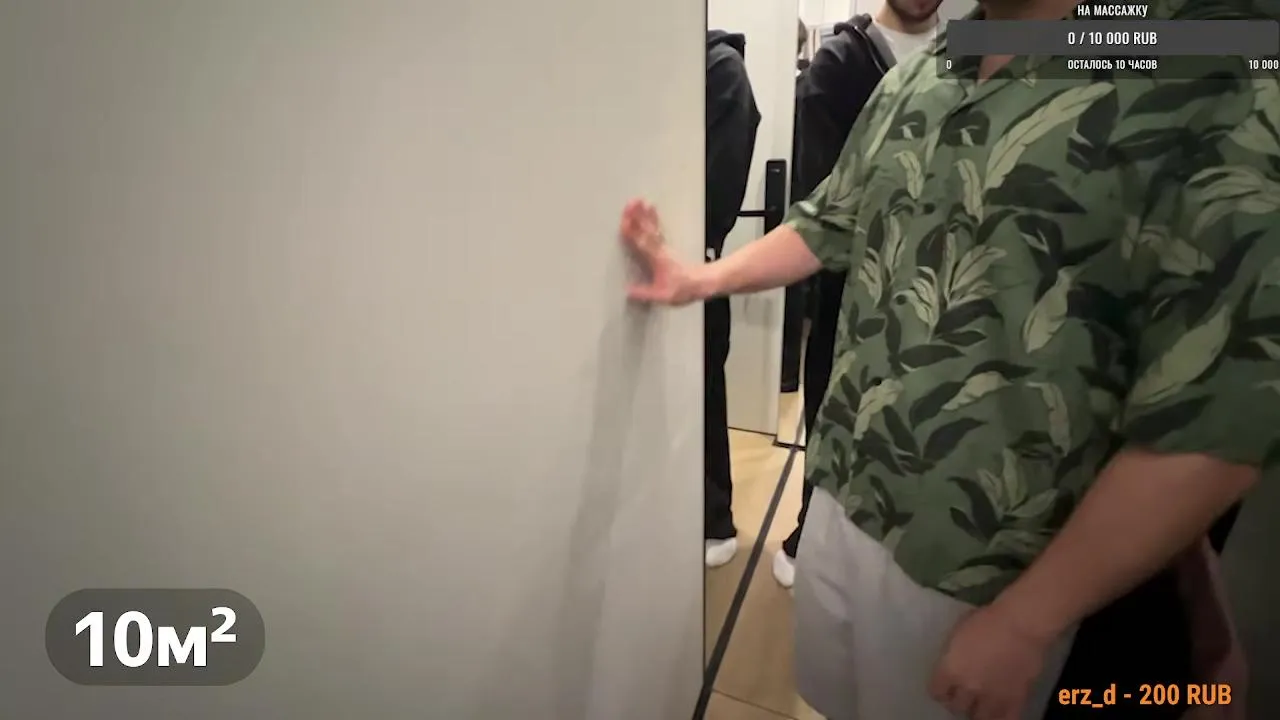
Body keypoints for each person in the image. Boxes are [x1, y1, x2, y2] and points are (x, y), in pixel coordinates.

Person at [621, 0, 1279, 716]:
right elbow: (831, 216)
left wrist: (1030, 619)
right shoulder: (930, 70)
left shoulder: (1203, 65)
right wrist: (702, 279)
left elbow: (1221, 412)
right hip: (845, 496)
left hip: (991, 562)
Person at [774, 0, 944, 590]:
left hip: (944, 298)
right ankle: (811, 534)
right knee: (833, 420)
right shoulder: (841, 62)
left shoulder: (977, 50)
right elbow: (822, 206)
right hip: (853, 297)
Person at [703, 29, 760, 568]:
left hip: (695, 267)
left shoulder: (720, 69)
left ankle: (713, 518)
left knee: (700, 395)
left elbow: (716, 195)